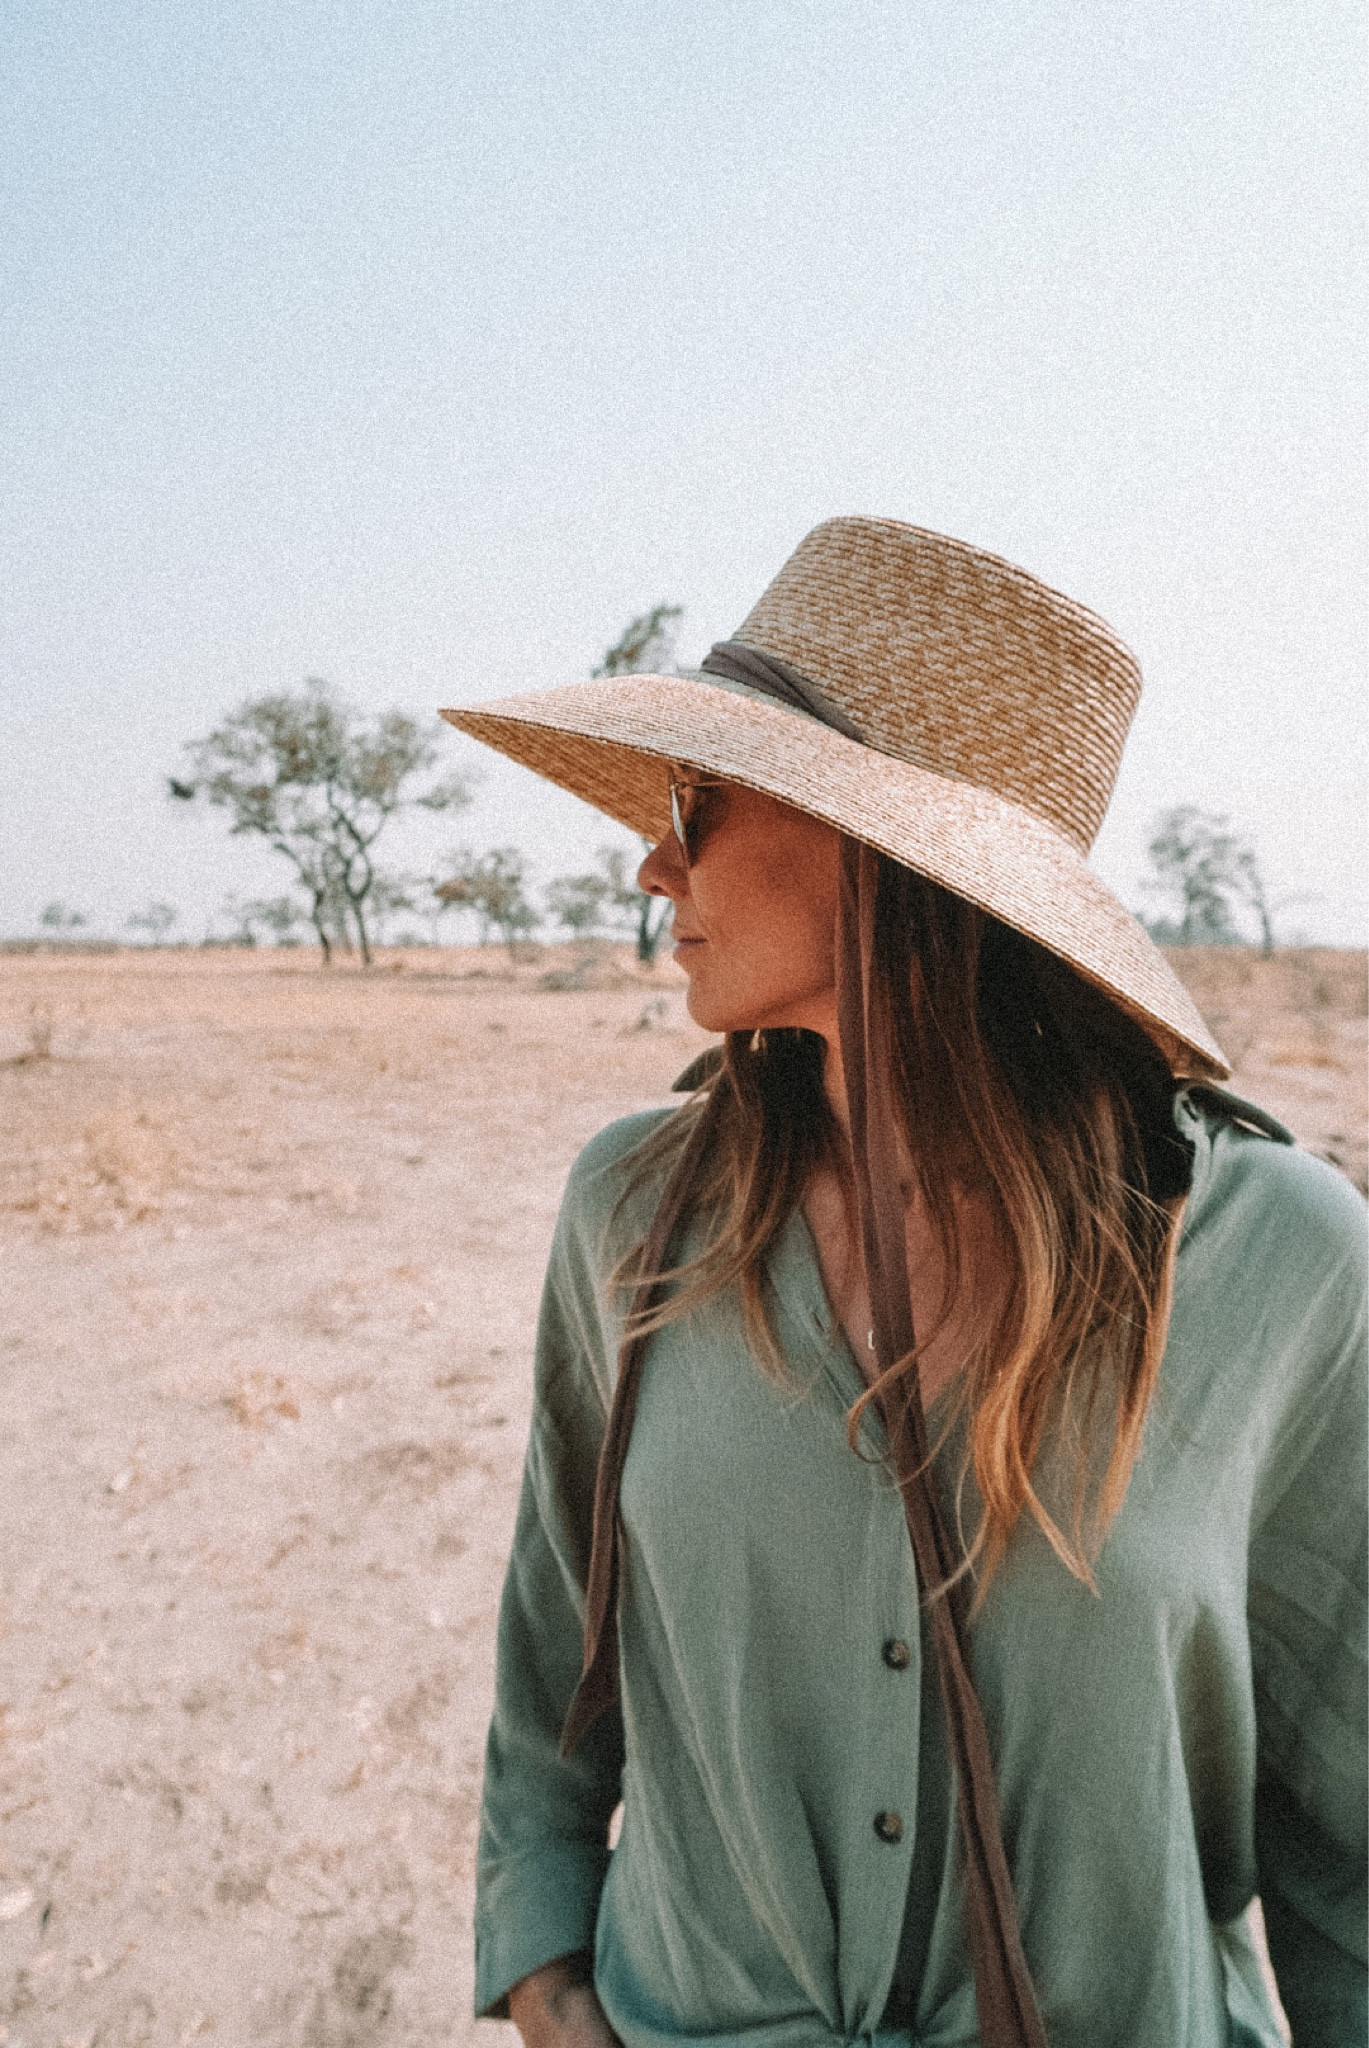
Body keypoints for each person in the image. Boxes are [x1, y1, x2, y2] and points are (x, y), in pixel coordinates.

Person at [441, 518, 1366, 2048]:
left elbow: (1346, 1827)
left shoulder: (1278, 1256)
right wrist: (545, 1982)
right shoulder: (633, 1211)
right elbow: (556, 1660)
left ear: (882, 855)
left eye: (700, 799)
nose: (653, 861)